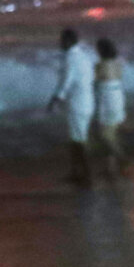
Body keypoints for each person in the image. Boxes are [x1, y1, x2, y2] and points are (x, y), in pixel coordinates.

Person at [46, 27, 97, 184]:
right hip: (88, 101)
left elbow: (66, 82)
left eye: (61, 40)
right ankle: (78, 173)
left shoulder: (70, 58)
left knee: (78, 141)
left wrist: (55, 99)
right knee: (79, 139)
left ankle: (85, 175)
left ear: (67, 41)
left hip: (77, 104)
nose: (59, 43)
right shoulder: (84, 55)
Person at [93, 37, 129, 178]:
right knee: (112, 133)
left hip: (106, 102)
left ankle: (122, 158)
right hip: (118, 98)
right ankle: (110, 169)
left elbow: (95, 84)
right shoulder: (118, 64)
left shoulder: (100, 65)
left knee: (104, 135)